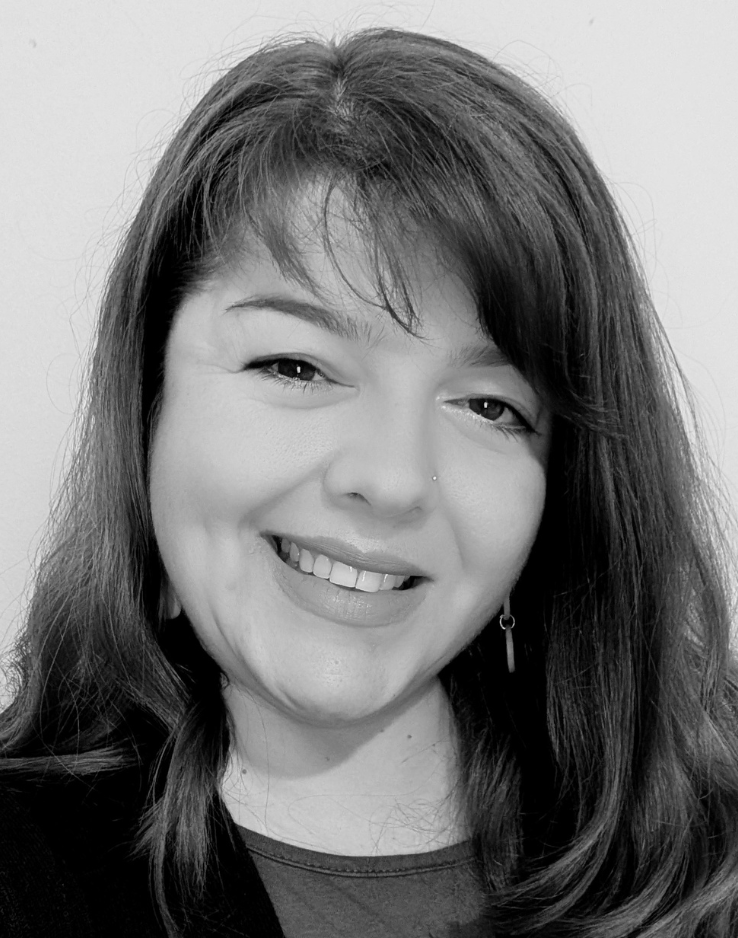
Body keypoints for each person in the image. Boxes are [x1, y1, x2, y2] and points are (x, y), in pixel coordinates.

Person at [1, 27, 737, 938]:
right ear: (148, 400)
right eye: (296, 367)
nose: (390, 480)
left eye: (490, 407)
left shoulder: (711, 870)